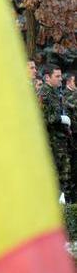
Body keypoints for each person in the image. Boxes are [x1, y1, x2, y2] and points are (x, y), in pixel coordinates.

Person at [38, 64, 73, 202]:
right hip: (51, 142)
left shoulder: (55, 92)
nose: (60, 79)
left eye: (60, 76)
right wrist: (61, 119)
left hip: (60, 141)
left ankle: (63, 202)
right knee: (54, 175)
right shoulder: (44, 93)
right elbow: (44, 117)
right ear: (47, 77)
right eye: (57, 76)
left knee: (65, 174)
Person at [63, 72, 77, 202]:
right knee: (71, 174)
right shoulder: (67, 96)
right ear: (68, 82)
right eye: (74, 81)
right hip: (71, 141)